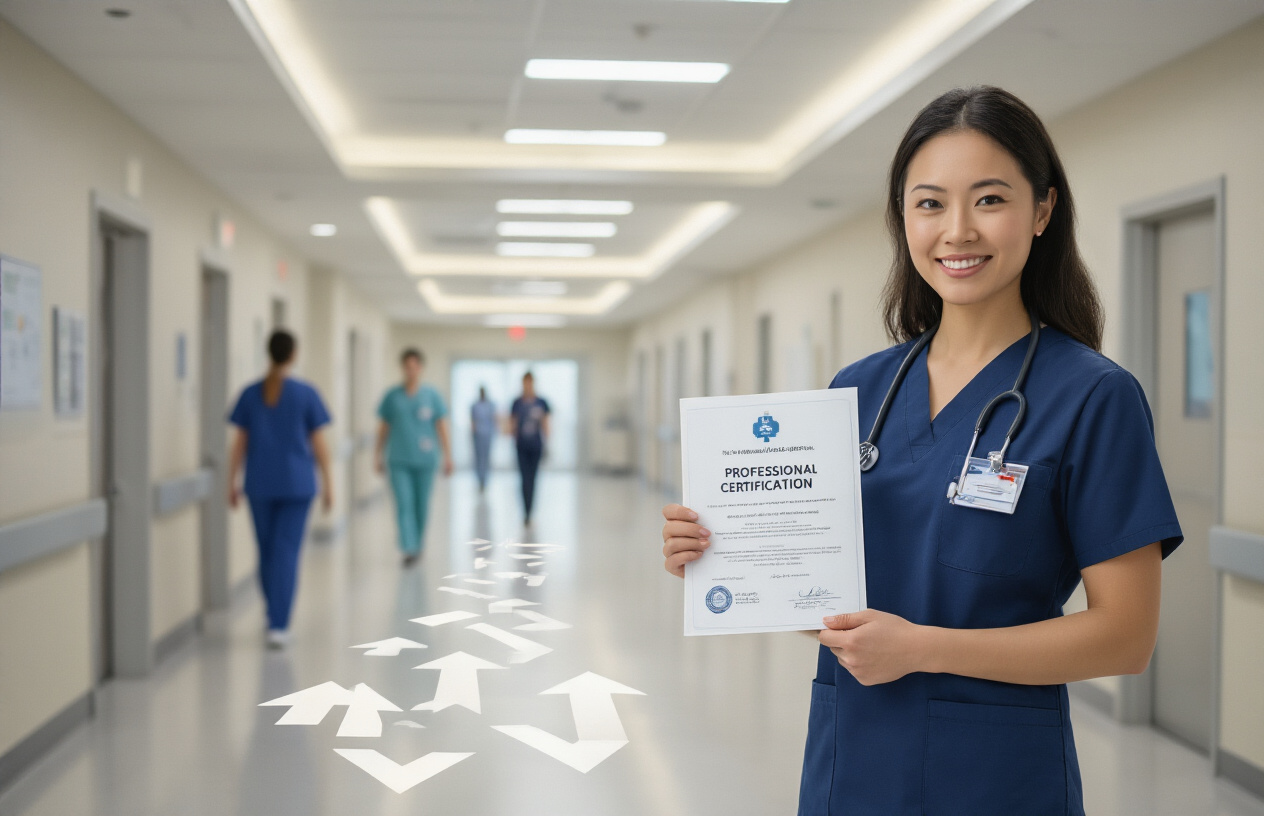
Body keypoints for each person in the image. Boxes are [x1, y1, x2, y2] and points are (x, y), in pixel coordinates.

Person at [660, 86, 1183, 816]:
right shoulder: (859, 391)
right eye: (930, 203)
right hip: (852, 762)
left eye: (990, 199)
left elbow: (1124, 638)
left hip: (996, 776)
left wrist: (922, 649)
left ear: (1042, 211)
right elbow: (828, 601)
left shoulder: (1093, 397)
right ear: (904, 219)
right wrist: (723, 549)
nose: (957, 231)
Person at [227, 330, 333, 649]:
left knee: (267, 551)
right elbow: (319, 445)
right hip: (297, 485)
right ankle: (279, 622)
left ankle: (273, 611)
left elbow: (239, 445)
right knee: (286, 552)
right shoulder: (306, 394)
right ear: (293, 354)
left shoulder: (250, 393)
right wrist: (329, 483)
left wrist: (230, 481)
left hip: (259, 484)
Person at [375, 348, 452, 565]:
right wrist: (377, 454)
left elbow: (441, 427)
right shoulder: (392, 397)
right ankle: (409, 547)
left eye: (414, 367)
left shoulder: (432, 396)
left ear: (421, 368)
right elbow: (383, 428)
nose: (411, 371)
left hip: (426, 461)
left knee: (421, 504)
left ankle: (418, 544)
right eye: (407, 367)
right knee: (403, 502)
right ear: (402, 368)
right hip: (398, 459)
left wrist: (448, 456)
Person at [509, 372, 550, 526]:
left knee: (533, 479)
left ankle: (530, 511)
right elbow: (512, 424)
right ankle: (525, 512)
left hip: (536, 446)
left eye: (530, 382)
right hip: (521, 447)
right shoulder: (516, 403)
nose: (527, 385)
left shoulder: (542, 403)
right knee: (524, 479)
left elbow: (546, 424)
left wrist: (547, 443)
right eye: (525, 382)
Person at [470, 386, 497, 492]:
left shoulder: (490, 405)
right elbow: (473, 421)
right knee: (478, 458)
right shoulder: (474, 406)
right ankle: (479, 479)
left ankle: (484, 480)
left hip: (488, 435)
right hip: (478, 436)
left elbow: (494, 420)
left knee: (486, 458)